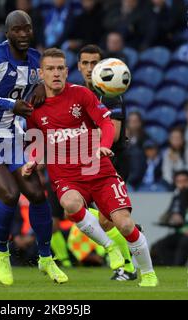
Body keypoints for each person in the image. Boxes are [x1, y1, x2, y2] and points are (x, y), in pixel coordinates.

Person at [23, 48, 158, 287]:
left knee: (125, 223)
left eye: (60, 69)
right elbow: (38, 139)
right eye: (50, 69)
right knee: (69, 205)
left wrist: (103, 146)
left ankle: (148, 273)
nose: (56, 73)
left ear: (66, 71)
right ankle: (110, 248)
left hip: (98, 168)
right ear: (40, 73)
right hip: (66, 174)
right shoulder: (34, 106)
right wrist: (34, 159)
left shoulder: (82, 95)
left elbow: (106, 122)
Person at [0, 10, 68, 286]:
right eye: (17, 30)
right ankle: (1, 254)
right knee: (9, 194)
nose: (22, 34)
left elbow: (49, 82)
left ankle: (45, 258)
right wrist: (10, 105)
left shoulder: (35, 60)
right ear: (7, 33)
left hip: (11, 137)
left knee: (36, 193)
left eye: (27, 29)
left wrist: (42, 86)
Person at [75, 44, 137, 280]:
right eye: (85, 63)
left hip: (114, 161)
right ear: (79, 66)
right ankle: (128, 258)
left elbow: (111, 134)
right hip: (90, 160)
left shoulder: (111, 92)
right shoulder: (79, 93)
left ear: (103, 65)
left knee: (104, 220)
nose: (90, 68)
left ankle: (128, 265)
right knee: (89, 213)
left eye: (94, 63)